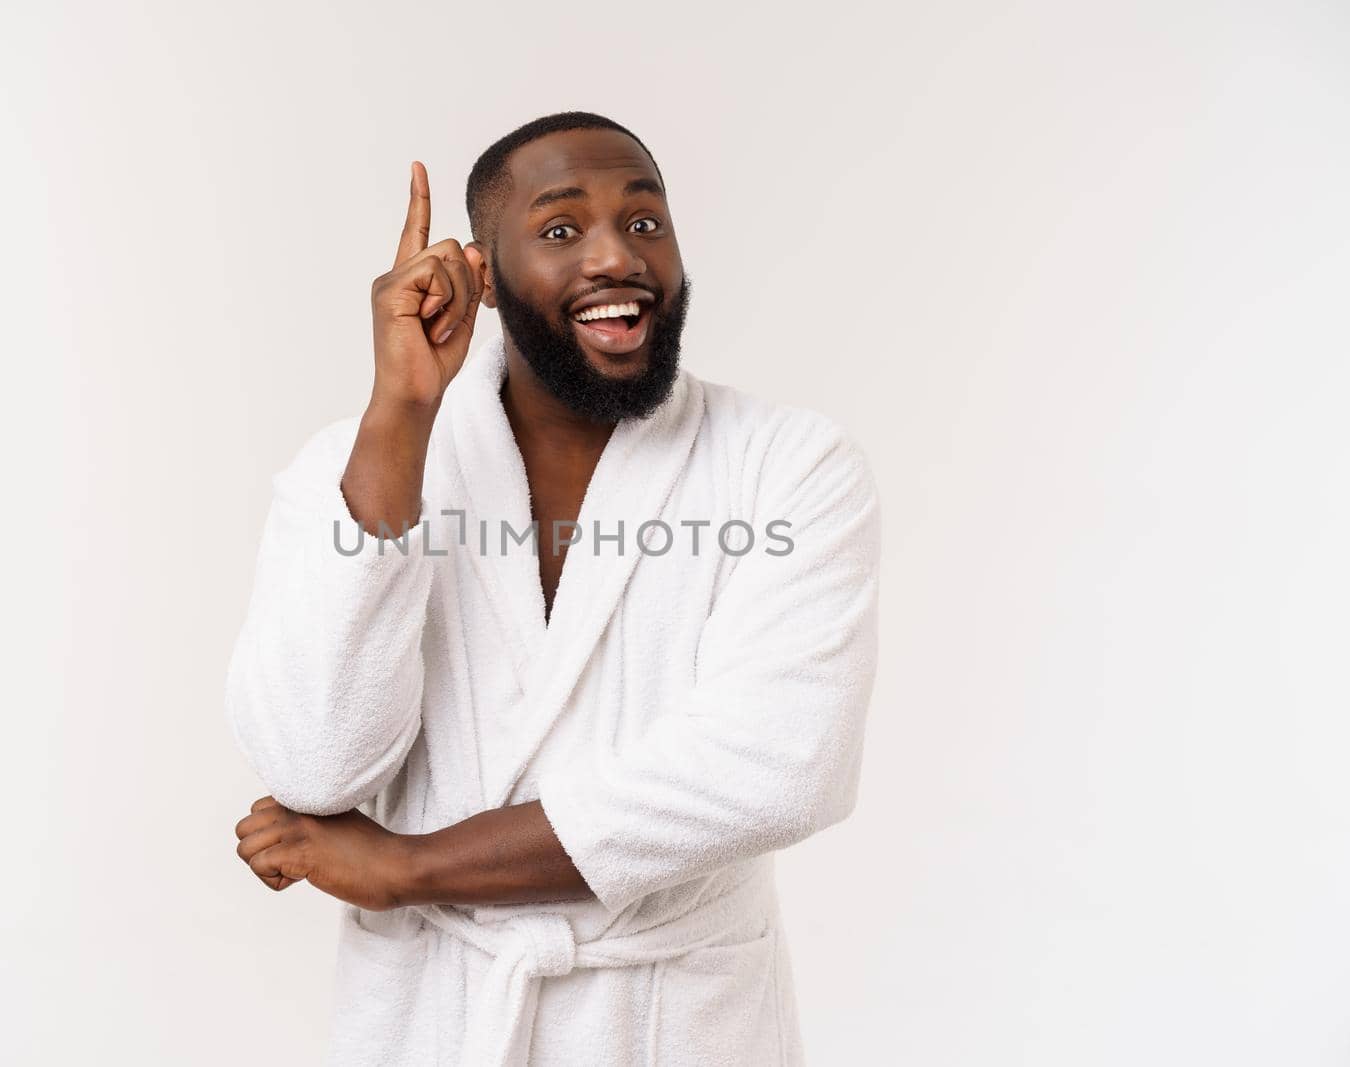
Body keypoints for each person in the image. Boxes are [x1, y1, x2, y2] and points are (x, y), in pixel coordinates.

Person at [226, 111, 880, 1066]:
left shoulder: (786, 466)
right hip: (435, 1020)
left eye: (645, 221)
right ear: (481, 274)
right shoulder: (356, 464)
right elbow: (312, 765)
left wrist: (410, 866)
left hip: (675, 1023)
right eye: (562, 229)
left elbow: (781, 766)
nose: (618, 256)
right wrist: (401, 417)